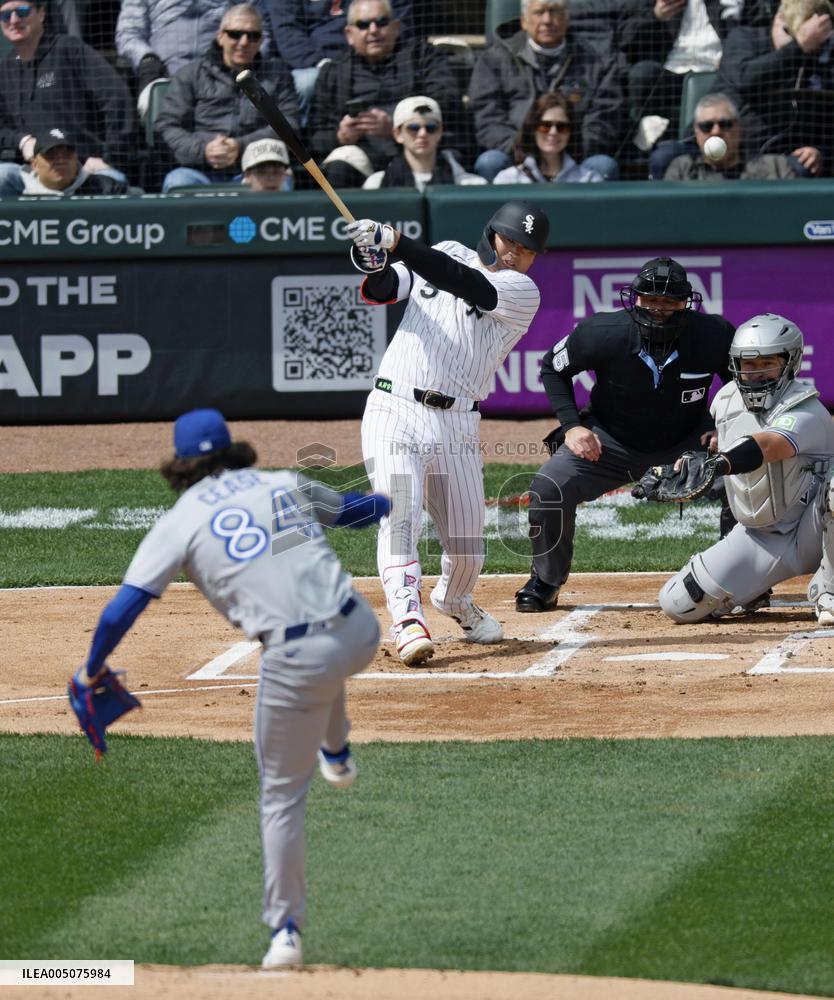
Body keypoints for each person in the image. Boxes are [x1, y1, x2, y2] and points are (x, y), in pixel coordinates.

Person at [66, 407, 388, 967]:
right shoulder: (281, 483)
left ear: (180, 465)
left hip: (297, 658)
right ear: (231, 450)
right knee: (326, 662)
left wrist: (89, 669)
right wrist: (391, 500)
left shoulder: (180, 522)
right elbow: (360, 513)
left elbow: (124, 609)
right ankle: (335, 749)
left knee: (281, 794)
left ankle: (285, 931)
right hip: (361, 630)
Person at [347, 200, 547, 664]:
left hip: (457, 422)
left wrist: (396, 242)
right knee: (401, 514)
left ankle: (454, 601)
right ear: (491, 232)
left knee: (468, 549)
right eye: (510, 240)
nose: (517, 252)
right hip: (393, 406)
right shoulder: (444, 250)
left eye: (528, 248)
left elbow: (463, 282)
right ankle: (406, 619)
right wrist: (374, 259)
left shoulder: (522, 291)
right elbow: (381, 289)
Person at [516, 257, 735, 612]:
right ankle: (546, 579)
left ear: (686, 303)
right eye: (649, 299)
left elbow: (742, 383)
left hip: (686, 447)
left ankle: (738, 580)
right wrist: (572, 426)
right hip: (609, 444)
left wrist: (723, 428)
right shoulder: (602, 332)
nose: (658, 309)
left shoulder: (714, 335)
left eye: (668, 302)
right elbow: (552, 367)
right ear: (634, 299)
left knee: (744, 475)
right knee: (549, 484)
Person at [654, 314, 834, 623]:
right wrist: (686, 463)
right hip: (758, 537)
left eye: (766, 363)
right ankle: (751, 589)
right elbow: (722, 443)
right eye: (746, 364)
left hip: (811, 531)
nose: (754, 373)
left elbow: (767, 446)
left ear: (789, 363)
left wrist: (718, 464)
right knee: (678, 604)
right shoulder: (725, 401)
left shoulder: (806, 408)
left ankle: (829, 588)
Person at [308, 0, 463, 188]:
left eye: (381, 22)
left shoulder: (423, 56)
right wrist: (341, 136)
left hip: (417, 147)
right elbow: (314, 137)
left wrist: (396, 126)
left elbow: (448, 102)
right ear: (349, 34)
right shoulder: (333, 72)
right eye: (363, 25)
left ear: (396, 27)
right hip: (363, 154)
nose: (373, 30)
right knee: (338, 167)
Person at [468, 0, 624, 182]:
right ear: (524, 21)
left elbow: (605, 117)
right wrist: (523, 149)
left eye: (555, 12)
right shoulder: (494, 59)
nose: (547, 20)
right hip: (515, 156)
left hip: (575, 157)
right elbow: (487, 117)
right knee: (490, 162)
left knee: (602, 166)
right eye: (539, 12)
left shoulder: (597, 62)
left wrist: (565, 148)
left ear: (567, 19)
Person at [156, 3, 299, 193]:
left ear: (261, 40)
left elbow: (290, 124)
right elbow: (168, 125)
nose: (244, 42)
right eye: (235, 34)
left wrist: (240, 146)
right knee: (178, 181)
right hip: (199, 171)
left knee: (281, 183)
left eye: (253, 36)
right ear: (220, 36)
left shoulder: (277, 74)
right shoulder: (190, 74)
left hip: (257, 170)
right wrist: (204, 150)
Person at [0, 0, 136, 195]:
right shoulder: (5, 70)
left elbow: (117, 97)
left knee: (113, 186)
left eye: (22, 12)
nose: (14, 20)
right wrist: (21, 140)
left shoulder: (69, 50)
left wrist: (109, 157)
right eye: (5, 15)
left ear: (41, 14)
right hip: (32, 174)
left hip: (83, 170)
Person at [716, 0, 833, 175]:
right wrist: (797, 47)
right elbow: (746, 79)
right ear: (779, 18)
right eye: (791, 34)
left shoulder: (817, 57)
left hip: (779, 157)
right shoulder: (743, 38)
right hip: (721, 145)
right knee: (664, 156)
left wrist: (820, 151)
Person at [617, 0, 741, 148]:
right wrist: (655, 15)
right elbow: (625, 40)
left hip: (713, 70)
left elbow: (745, 33)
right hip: (672, 68)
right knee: (642, 73)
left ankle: (681, 142)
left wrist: (730, 54)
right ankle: (652, 130)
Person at [116, 0, 276, 110]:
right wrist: (147, 59)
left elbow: (262, 30)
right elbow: (128, 33)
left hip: (224, 75)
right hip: (165, 75)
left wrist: (247, 59)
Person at [269, 0, 412, 121]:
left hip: (374, 56)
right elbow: (287, 32)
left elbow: (400, 22)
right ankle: (302, 149)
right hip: (317, 63)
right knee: (306, 84)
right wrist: (322, 64)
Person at [662, 92, 801, 178]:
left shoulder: (775, 166)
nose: (716, 132)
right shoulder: (681, 170)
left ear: (739, 128)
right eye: (706, 126)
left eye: (725, 124)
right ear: (696, 132)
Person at [362, 95, 485, 190]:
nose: (422, 134)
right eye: (413, 128)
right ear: (398, 134)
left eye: (431, 127)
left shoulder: (472, 186)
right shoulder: (376, 185)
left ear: (440, 131)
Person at [492, 91, 604, 184]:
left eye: (561, 127)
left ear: (571, 132)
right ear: (533, 128)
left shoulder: (589, 180)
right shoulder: (509, 180)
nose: (553, 132)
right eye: (545, 126)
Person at [20, 127, 130, 195]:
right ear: (34, 165)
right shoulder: (18, 195)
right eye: (51, 155)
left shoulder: (104, 188)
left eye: (67, 154)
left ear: (76, 159)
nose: (61, 161)